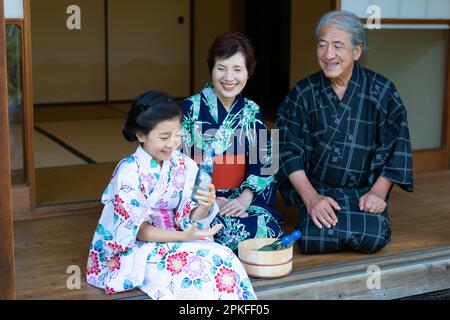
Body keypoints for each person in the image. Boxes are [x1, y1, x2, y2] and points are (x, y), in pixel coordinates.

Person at [86, 91, 256, 300]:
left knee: (225, 257)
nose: (172, 143)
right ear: (141, 135)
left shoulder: (185, 165)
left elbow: (190, 216)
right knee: (196, 270)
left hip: (178, 238)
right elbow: (137, 231)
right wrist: (182, 237)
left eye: (177, 135)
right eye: (164, 137)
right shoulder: (128, 172)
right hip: (138, 247)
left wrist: (205, 204)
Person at [276, 10, 413, 254]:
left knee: (372, 237)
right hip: (320, 192)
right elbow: (286, 148)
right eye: (322, 45)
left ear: (357, 50)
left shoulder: (381, 90)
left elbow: (398, 144)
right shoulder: (303, 93)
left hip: (364, 193)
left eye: (338, 46)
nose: (329, 55)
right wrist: (311, 199)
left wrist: (378, 192)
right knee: (312, 239)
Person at [181, 32, 284, 252]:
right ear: (211, 69)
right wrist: (210, 201)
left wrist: (245, 199)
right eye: (221, 68)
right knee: (219, 229)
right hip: (200, 200)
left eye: (237, 69)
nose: (229, 77)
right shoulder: (190, 109)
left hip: (241, 200)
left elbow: (266, 160)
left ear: (248, 73)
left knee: (265, 227)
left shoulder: (251, 111)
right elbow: (177, 162)